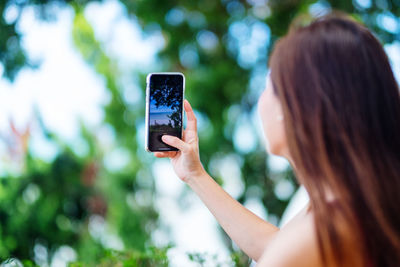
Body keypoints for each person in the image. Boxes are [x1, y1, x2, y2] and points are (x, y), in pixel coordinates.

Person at [153, 13, 400, 267]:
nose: (262, 100)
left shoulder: (324, 231)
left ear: (299, 104)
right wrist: (195, 174)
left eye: (270, 85)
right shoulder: (350, 208)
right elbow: (276, 246)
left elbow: (286, 252)